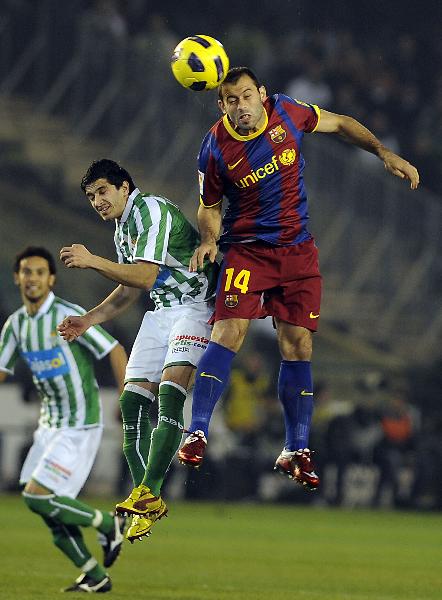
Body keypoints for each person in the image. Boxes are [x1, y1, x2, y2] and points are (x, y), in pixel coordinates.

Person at [178, 66, 420, 491]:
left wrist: (383, 152)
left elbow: (342, 123)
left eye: (247, 96)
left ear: (262, 95)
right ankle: (197, 430)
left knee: (299, 345)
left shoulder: (288, 112)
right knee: (228, 332)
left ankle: (296, 447)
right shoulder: (214, 147)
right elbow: (208, 206)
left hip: (297, 252)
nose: (241, 106)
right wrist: (209, 239)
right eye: (231, 100)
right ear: (221, 106)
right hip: (246, 252)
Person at [58, 159, 218, 542]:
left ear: (124, 187)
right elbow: (131, 289)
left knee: (168, 393)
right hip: (162, 310)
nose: (97, 201)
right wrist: (90, 319)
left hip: (195, 306)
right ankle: (148, 497)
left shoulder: (150, 210)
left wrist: (93, 260)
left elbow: (145, 276)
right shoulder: (122, 229)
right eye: (90, 196)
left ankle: (149, 490)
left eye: (102, 191)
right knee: (130, 404)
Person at [0, 246, 128, 593]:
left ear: (51, 279)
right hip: (48, 427)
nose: (32, 278)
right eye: (26, 271)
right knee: (49, 509)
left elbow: (113, 349)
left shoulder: (68, 314)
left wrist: (125, 398)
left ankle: (107, 523)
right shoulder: (15, 326)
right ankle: (94, 575)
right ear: (17, 278)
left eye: (40, 272)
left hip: (79, 424)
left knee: (36, 496)